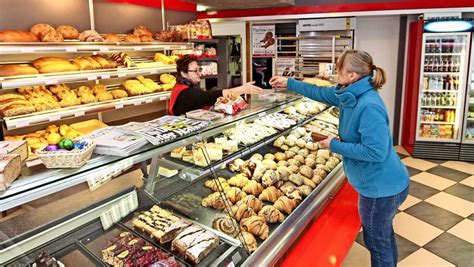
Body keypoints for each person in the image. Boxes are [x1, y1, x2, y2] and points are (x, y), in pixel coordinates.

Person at [270, 50, 409, 267]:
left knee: (377, 243)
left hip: (381, 187)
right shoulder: (350, 93)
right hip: (378, 184)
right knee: (382, 236)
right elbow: (319, 92)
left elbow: (376, 152)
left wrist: (333, 145)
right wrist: (289, 83)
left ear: (352, 75)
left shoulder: (368, 105)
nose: (335, 73)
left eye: (338, 69)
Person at [169, 55, 263, 115]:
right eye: (195, 71)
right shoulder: (185, 93)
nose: (199, 73)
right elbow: (209, 97)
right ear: (183, 73)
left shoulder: (184, 86)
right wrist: (242, 89)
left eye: (199, 69)